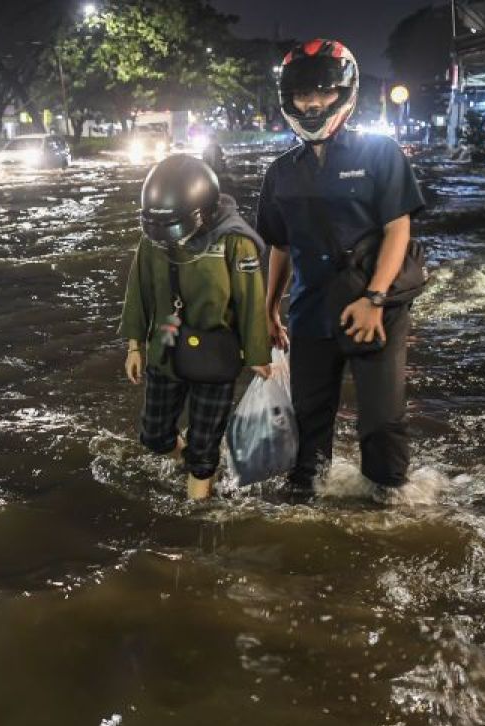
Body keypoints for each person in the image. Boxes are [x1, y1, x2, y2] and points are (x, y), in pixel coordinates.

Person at [255, 39, 425, 499]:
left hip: (376, 308)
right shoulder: (280, 173)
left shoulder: (380, 154)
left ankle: (388, 505)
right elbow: (281, 247)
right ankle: (305, 499)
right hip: (310, 313)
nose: (312, 104)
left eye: (323, 93)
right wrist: (269, 310)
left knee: (381, 419)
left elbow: (397, 231)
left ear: (344, 93)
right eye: (302, 95)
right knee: (308, 417)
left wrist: (374, 299)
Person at [119, 155, 272, 501]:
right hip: (166, 348)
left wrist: (258, 354)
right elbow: (139, 290)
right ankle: (197, 462)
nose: (168, 237)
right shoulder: (153, 240)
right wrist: (134, 346)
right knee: (154, 436)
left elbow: (251, 301)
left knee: (204, 451)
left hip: (214, 356)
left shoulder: (235, 243)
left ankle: (197, 504)